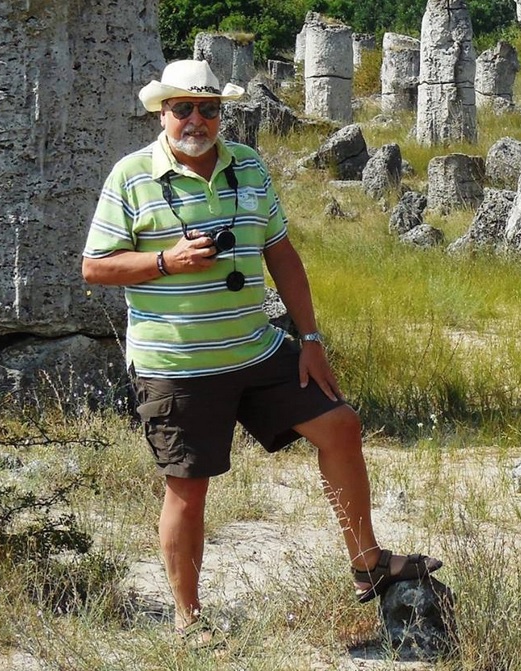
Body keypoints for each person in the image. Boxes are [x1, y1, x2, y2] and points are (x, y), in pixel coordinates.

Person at [81, 59, 441, 645]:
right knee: (188, 486)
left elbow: (282, 255)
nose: (196, 120)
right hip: (178, 363)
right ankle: (188, 618)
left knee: (340, 425)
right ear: (162, 113)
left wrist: (311, 341)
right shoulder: (131, 175)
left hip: (254, 349)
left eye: (208, 109)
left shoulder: (247, 165)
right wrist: (168, 261)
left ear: (221, 114)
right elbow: (95, 267)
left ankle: (367, 563)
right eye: (183, 108)